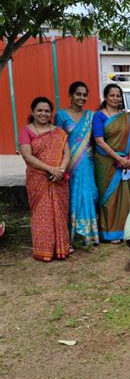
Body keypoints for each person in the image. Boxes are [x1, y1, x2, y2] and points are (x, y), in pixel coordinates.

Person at [19, 97, 71, 261]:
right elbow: (27, 156)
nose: (43, 113)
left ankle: (61, 248)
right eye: (39, 110)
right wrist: (51, 169)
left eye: (47, 111)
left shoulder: (59, 132)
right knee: (41, 214)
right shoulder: (26, 131)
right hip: (38, 179)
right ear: (33, 112)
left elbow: (66, 153)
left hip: (59, 180)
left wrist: (60, 170)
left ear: (51, 113)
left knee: (60, 213)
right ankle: (44, 250)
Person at [55, 81, 99, 246]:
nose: (82, 97)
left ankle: (88, 232)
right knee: (72, 194)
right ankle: (74, 233)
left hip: (87, 162)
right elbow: (57, 141)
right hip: (69, 163)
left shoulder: (91, 115)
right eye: (78, 94)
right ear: (70, 95)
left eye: (84, 95)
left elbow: (96, 139)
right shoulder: (61, 115)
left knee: (90, 194)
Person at [92, 83, 130, 243]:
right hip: (106, 161)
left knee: (123, 195)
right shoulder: (99, 116)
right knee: (108, 196)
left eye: (118, 95)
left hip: (124, 162)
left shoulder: (125, 117)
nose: (115, 98)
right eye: (112, 95)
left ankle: (124, 230)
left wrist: (129, 159)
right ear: (106, 97)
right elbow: (99, 140)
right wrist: (118, 159)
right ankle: (109, 232)